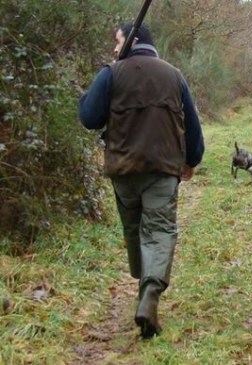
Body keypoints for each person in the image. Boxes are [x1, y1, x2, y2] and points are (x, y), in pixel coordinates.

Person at [78, 23, 205, 338]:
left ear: (131, 41)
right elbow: (192, 125)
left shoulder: (111, 73)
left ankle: (143, 285)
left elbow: (89, 118)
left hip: (124, 170)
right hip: (162, 169)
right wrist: (192, 160)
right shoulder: (174, 75)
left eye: (117, 40)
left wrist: (98, 84)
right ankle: (150, 292)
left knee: (134, 230)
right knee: (159, 230)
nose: (113, 47)